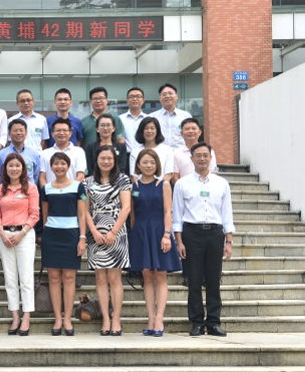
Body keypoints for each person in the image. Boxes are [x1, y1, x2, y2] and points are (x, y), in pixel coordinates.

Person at [173, 142, 234, 337]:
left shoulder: (221, 183)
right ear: (192, 159)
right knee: (194, 280)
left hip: (215, 233)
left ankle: (214, 322)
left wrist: (229, 240)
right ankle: (197, 322)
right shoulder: (182, 184)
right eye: (198, 155)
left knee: (214, 280)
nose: (202, 159)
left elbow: (227, 213)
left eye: (205, 155)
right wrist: (179, 241)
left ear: (210, 158)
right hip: (192, 233)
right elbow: (177, 215)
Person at [129, 148, 181, 337]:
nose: (148, 165)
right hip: (141, 232)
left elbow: (168, 211)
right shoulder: (133, 186)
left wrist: (167, 234)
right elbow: (132, 213)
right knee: (146, 275)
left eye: (152, 162)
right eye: (145, 162)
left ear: (157, 164)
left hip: (159, 231)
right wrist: (134, 235)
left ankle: (159, 318)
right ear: (138, 165)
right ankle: (150, 318)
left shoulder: (163, 184)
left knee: (160, 275)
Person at [85, 145, 132, 337]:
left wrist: (113, 231)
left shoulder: (123, 179)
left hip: (116, 231)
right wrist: (94, 231)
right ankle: (105, 318)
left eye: (109, 158)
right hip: (95, 232)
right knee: (100, 278)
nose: (106, 161)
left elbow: (126, 208)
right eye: (102, 158)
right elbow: (84, 210)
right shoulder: (87, 182)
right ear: (96, 160)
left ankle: (116, 319)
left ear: (115, 160)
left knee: (114, 278)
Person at [0, 153, 40, 336]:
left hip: (24, 235)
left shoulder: (31, 188)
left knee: (26, 277)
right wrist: (2, 232)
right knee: (10, 278)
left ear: (23, 168)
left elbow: (34, 214)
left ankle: (26, 316)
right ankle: (15, 316)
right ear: (5, 168)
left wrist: (22, 233)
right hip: (5, 235)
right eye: (10, 166)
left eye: (17, 166)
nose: (14, 169)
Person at [41, 152, 87, 336]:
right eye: (56, 164)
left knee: (69, 278)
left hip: (71, 234)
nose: (59, 167)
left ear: (68, 166)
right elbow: (45, 216)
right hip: (52, 235)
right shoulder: (46, 188)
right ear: (51, 167)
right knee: (53, 278)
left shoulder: (78, 186)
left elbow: (82, 214)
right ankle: (57, 318)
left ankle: (67, 318)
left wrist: (82, 238)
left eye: (63, 163)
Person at [39, 118, 87, 187]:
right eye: (58, 130)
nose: (61, 133)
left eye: (64, 130)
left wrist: (69, 190)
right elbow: (42, 177)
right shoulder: (44, 153)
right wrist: (46, 191)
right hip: (50, 192)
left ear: (70, 133)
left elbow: (81, 175)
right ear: (52, 134)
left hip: (73, 191)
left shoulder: (79, 152)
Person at [173, 117, 217, 184]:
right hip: (185, 188)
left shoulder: (208, 151)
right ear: (181, 133)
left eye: (193, 128)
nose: (191, 131)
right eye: (187, 129)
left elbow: (213, 172)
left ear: (199, 132)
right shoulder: (176, 153)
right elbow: (175, 176)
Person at [0, 119, 40, 185]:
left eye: (21, 130)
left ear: (26, 133)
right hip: (8, 190)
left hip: (28, 190)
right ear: (9, 133)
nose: (18, 133)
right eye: (15, 130)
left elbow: (35, 177)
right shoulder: (0, 155)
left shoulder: (34, 154)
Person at [129, 116, 173, 181]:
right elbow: (133, 175)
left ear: (157, 131)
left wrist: (161, 185)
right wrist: (138, 185)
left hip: (161, 185)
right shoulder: (135, 151)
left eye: (152, 128)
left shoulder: (167, 150)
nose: (149, 131)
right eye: (146, 128)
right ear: (141, 131)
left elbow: (169, 173)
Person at [150, 83, 191, 150]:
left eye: (170, 93)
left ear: (176, 96)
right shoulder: (152, 117)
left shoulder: (186, 116)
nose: (167, 96)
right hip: (159, 153)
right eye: (164, 94)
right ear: (160, 98)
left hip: (181, 153)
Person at [119, 87, 148, 154]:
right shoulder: (120, 119)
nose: (135, 99)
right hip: (126, 155)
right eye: (131, 97)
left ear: (143, 100)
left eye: (138, 96)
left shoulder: (149, 119)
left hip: (145, 155)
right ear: (127, 100)